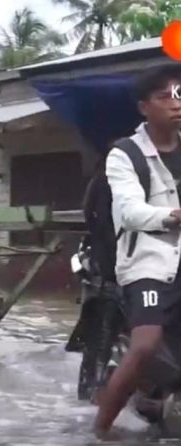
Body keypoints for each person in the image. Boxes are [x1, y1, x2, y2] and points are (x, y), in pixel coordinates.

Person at [94, 64, 181, 438]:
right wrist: (173, 216)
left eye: (180, 95)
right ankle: (100, 430)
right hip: (149, 261)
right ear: (144, 107)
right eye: (165, 97)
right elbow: (129, 211)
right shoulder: (125, 154)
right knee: (145, 344)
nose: (176, 103)